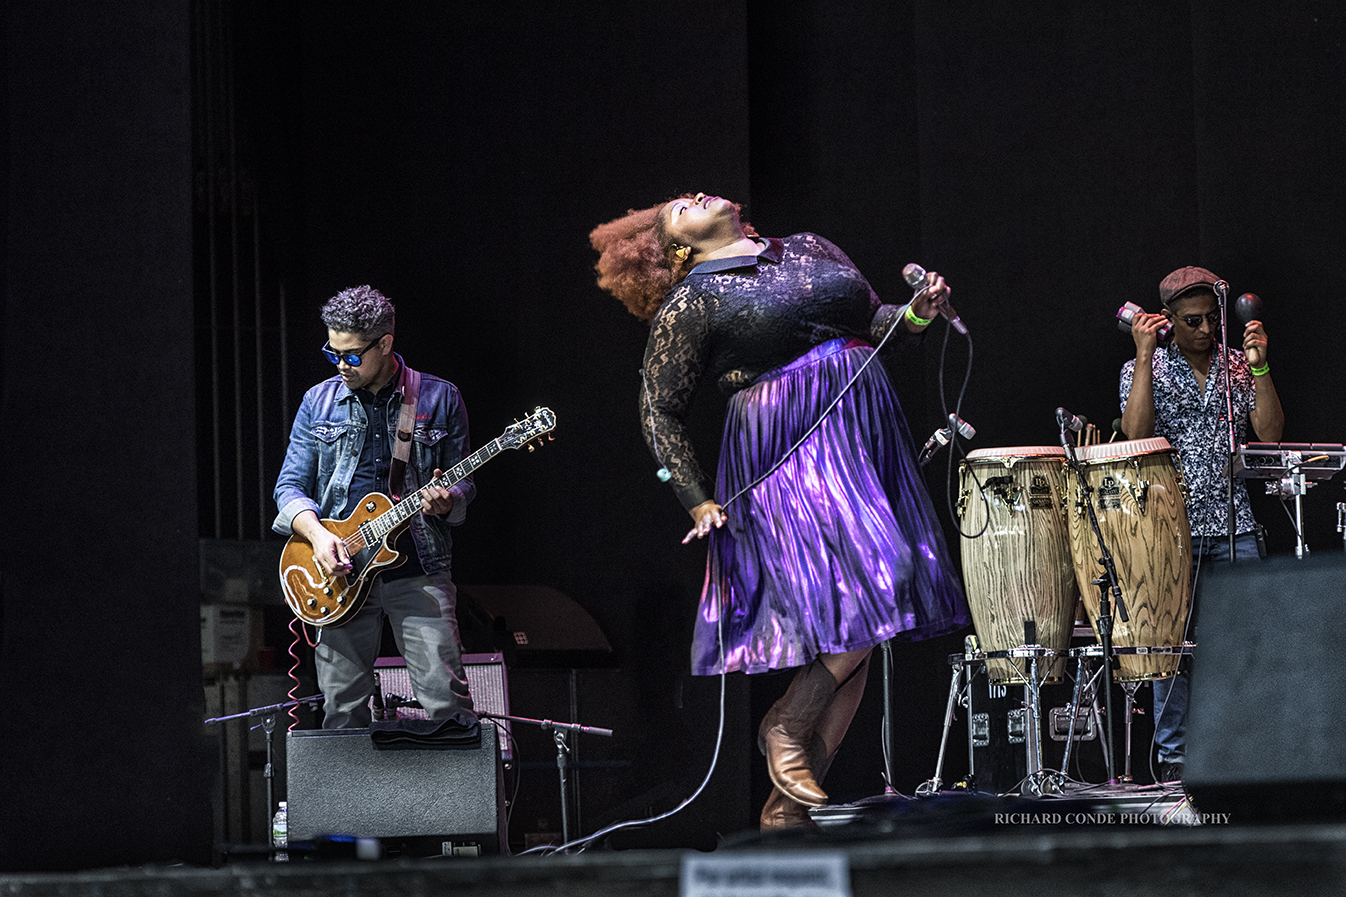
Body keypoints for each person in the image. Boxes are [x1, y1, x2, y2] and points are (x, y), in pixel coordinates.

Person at [590, 193, 969, 831]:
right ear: (676, 248)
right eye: (681, 207)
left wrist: (916, 318)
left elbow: (870, 323)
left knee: (864, 619)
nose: (695, 196)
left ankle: (786, 808)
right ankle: (786, 724)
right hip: (786, 444)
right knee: (888, 578)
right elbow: (658, 409)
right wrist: (694, 494)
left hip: (860, 425)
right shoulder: (693, 300)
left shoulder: (809, 246)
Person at [273, 285, 476, 728]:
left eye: (351, 355)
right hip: (340, 572)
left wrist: (446, 503)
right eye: (333, 353)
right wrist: (320, 536)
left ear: (385, 344)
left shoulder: (439, 398)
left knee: (447, 702)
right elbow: (289, 487)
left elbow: (464, 487)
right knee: (341, 710)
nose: (340, 365)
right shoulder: (317, 401)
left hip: (417, 569)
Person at [1120, 265, 1284, 783]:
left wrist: (1259, 369)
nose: (1208, 330)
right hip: (1171, 530)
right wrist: (1146, 355)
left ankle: (1249, 748)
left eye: (1213, 319)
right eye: (1193, 321)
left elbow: (1271, 437)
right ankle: (1173, 760)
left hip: (1234, 524)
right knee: (1170, 646)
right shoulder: (1142, 368)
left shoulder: (1236, 366)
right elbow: (1136, 436)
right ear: (1166, 321)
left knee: (1246, 641)